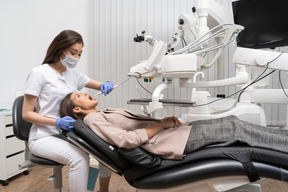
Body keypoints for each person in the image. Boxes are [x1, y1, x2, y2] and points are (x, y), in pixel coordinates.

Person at [60, 92, 288, 159]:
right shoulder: (92, 119)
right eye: (79, 95)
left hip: (175, 133)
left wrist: (164, 122)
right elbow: (124, 140)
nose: (87, 93)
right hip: (172, 142)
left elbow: (135, 126)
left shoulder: (103, 112)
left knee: (233, 122)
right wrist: (161, 127)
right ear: (76, 110)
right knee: (236, 129)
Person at [22, 30, 114, 192]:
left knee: (105, 150)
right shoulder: (39, 74)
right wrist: (57, 122)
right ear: (60, 48)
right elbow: (26, 114)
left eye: (80, 54)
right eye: (73, 53)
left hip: (68, 134)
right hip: (44, 136)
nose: (77, 58)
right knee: (79, 158)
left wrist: (105, 84)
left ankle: (102, 190)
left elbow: (98, 84)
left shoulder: (72, 74)